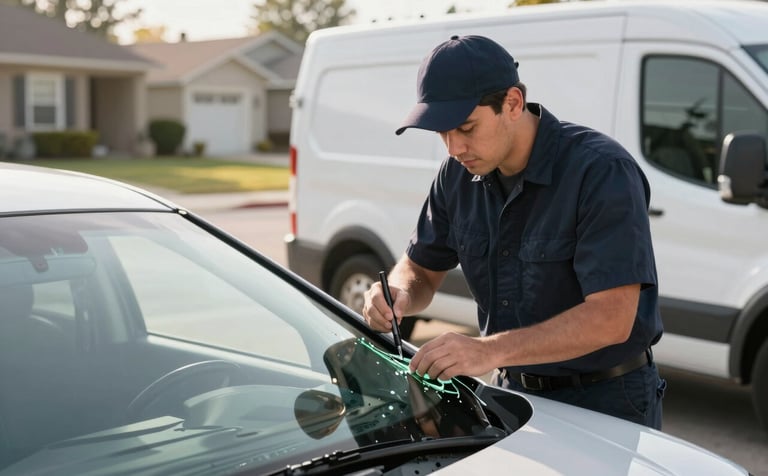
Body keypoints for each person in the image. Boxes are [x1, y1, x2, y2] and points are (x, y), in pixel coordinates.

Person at [362, 34, 666, 429]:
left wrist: (486, 351)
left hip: (606, 399)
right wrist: (398, 292)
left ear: (512, 103)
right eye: (442, 133)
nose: (454, 148)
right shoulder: (456, 175)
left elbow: (611, 318)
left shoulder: (601, 171)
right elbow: (420, 270)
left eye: (466, 128)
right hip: (512, 394)